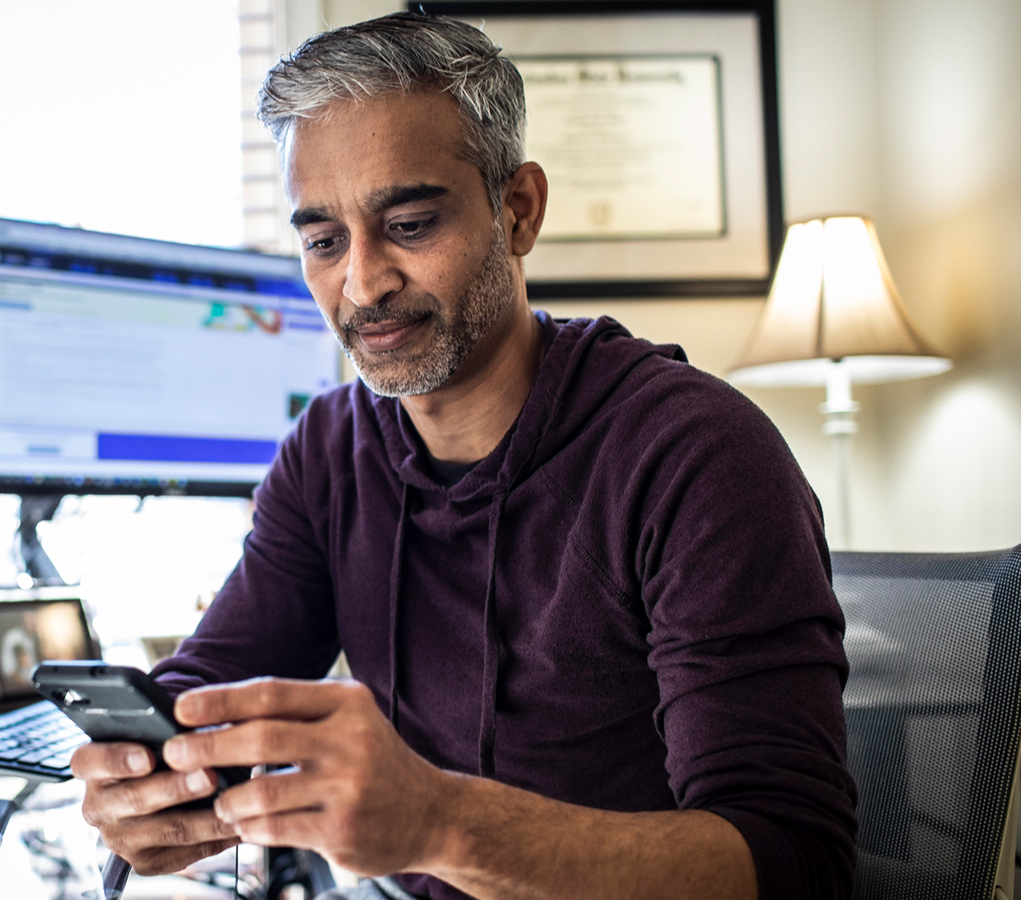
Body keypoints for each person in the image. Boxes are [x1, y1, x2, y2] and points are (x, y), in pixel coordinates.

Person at [71, 13, 856, 900]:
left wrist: (441, 823)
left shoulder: (697, 457)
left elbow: (795, 862)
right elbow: (214, 679)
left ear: (517, 211)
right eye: (323, 240)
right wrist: (143, 775)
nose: (362, 284)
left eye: (408, 223)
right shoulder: (330, 451)